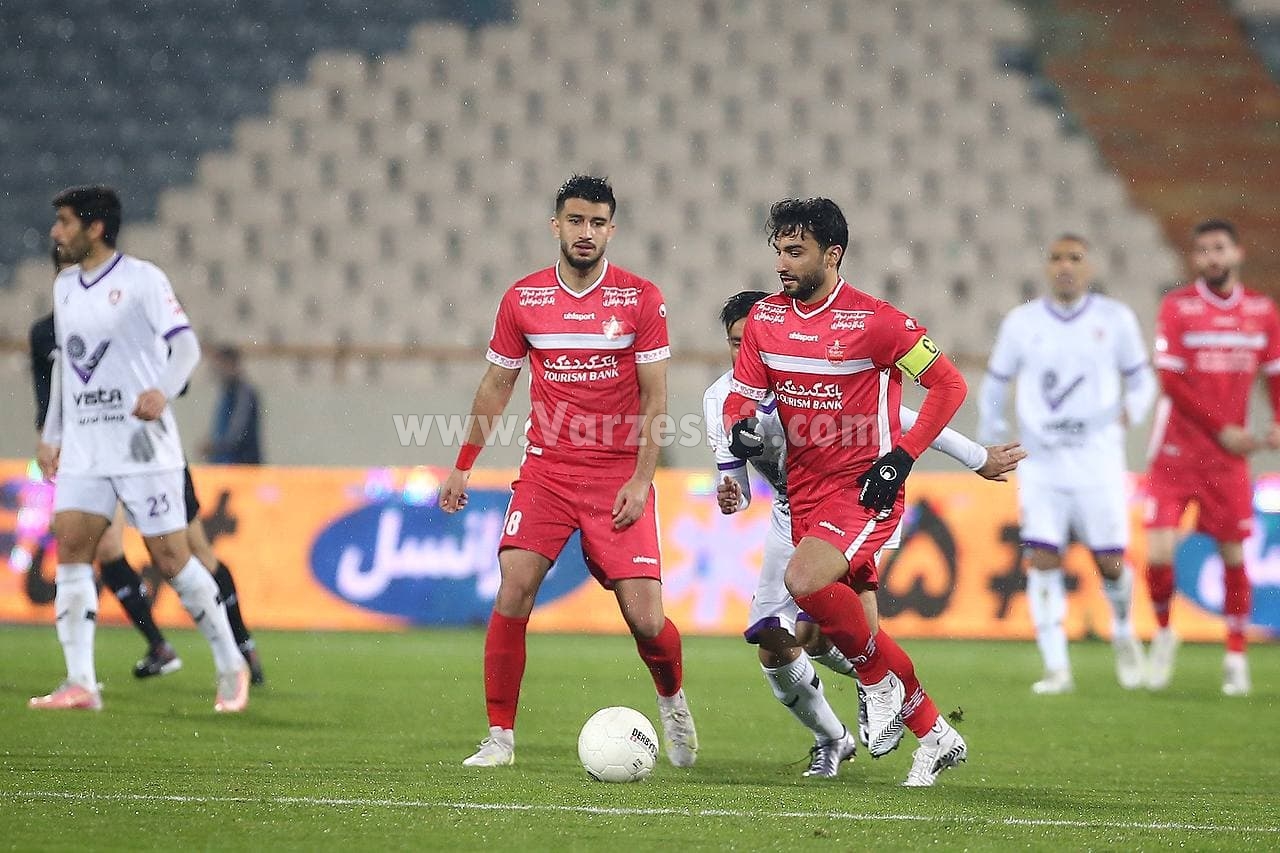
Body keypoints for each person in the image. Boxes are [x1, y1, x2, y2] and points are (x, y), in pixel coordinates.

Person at [706, 290, 1024, 779]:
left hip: (852, 501)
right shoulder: (722, 400)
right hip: (792, 515)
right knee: (780, 638)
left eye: (750, 337)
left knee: (853, 632)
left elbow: (907, 417)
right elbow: (736, 484)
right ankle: (871, 729)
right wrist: (731, 496)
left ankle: (899, 706)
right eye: (735, 342)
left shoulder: (810, 368)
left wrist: (977, 458)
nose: (746, 348)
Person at [439, 175, 697, 768]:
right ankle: (500, 738)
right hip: (547, 473)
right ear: (556, 225)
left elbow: (656, 400)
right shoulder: (523, 300)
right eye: (576, 221)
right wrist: (462, 466)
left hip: (616, 476)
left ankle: (672, 698)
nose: (587, 233)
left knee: (646, 619)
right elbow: (497, 386)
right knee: (514, 588)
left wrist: (641, 479)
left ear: (612, 228)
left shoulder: (640, 299)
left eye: (598, 222)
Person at [723, 197, 970, 787]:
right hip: (805, 492)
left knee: (803, 582)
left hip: (863, 487)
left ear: (832, 255)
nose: (782, 263)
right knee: (857, 627)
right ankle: (936, 734)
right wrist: (740, 424)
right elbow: (742, 393)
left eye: (796, 251)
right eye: (779, 250)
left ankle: (875, 681)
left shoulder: (876, 321)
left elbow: (948, 385)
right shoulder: (764, 321)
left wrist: (902, 459)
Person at [31, 185, 249, 712]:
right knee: (73, 548)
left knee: (173, 558)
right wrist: (52, 433)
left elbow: (186, 346)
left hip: (141, 446)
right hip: (86, 446)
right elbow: (66, 365)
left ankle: (230, 664)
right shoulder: (64, 287)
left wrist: (163, 390)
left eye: (64, 222)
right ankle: (81, 682)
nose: (56, 232)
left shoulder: (142, 280)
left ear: (95, 227)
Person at [977, 234, 1157, 694]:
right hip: (1043, 463)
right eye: (1056, 258)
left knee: (1111, 562)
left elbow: (1142, 382)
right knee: (1042, 556)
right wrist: (993, 434)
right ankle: (1056, 666)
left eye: (1074, 258)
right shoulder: (1023, 322)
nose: (1065, 266)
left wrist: (1128, 415)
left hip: (1097, 462)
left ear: (1089, 267)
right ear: (1046, 266)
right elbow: (995, 383)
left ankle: (1121, 629)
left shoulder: (1114, 319)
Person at [1145, 218, 1280, 696]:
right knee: (1158, 554)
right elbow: (1172, 382)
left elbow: (1275, 372)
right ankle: (1163, 634)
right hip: (1177, 452)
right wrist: (1223, 429)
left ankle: (1236, 656)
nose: (1211, 258)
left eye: (1219, 248)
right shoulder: (1178, 308)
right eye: (1202, 251)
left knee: (1232, 554)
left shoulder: (1262, 311)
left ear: (1237, 253)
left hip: (1227, 461)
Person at [201, 345, 263, 464]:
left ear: (232, 364)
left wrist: (214, 446)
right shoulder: (226, 392)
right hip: (225, 464)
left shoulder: (243, 393)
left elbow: (236, 434)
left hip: (242, 464)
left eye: (221, 365)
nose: (217, 370)